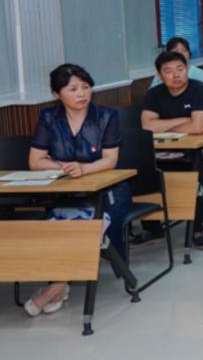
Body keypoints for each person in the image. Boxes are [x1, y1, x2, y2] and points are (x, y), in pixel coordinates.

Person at [23, 64, 132, 318]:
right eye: (73, 89)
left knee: (84, 226)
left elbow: (110, 160)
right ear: (56, 94)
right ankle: (60, 284)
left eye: (85, 87)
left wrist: (84, 169)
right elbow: (35, 161)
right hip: (66, 193)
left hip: (108, 192)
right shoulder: (48, 118)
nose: (82, 93)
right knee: (56, 228)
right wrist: (65, 167)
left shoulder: (106, 116)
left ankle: (56, 287)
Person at [141, 51, 203, 250]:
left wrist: (162, 125)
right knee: (143, 172)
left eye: (180, 69)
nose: (176, 75)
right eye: (168, 71)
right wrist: (184, 120)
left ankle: (197, 230)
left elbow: (197, 127)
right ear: (159, 75)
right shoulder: (154, 94)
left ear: (187, 69)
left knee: (195, 178)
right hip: (162, 152)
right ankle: (152, 228)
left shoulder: (200, 90)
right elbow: (147, 126)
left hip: (200, 151)